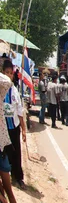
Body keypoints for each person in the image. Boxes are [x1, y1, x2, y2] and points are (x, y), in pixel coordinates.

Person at [0, 67, 22, 203]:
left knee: (8, 191)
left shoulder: (4, 93)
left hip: (2, 148)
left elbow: (6, 81)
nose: (9, 76)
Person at [2, 60, 26, 190]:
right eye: (6, 72)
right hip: (2, 128)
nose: (9, 75)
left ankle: (18, 178)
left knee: (16, 153)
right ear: (2, 72)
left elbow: (19, 111)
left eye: (11, 73)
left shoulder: (14, 91)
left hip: (13, 128)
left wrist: (23, 129)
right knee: (4, 153)